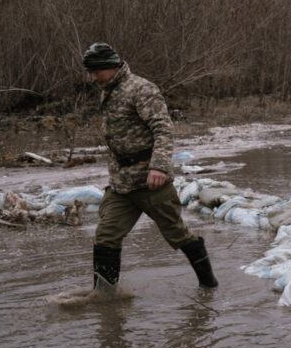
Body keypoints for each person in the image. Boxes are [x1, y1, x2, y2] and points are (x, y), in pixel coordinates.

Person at [83, 42, 218, 291]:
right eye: (89, 71)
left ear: (112, 67)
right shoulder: (109, 90)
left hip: (150, 180)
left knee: (178, 234)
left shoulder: (141, 89)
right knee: (105, 236)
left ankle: (209, 286)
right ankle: (103, 298)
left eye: (96, 71)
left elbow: (163, 128)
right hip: (121, 184)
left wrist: (159, 167)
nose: (92, 77)